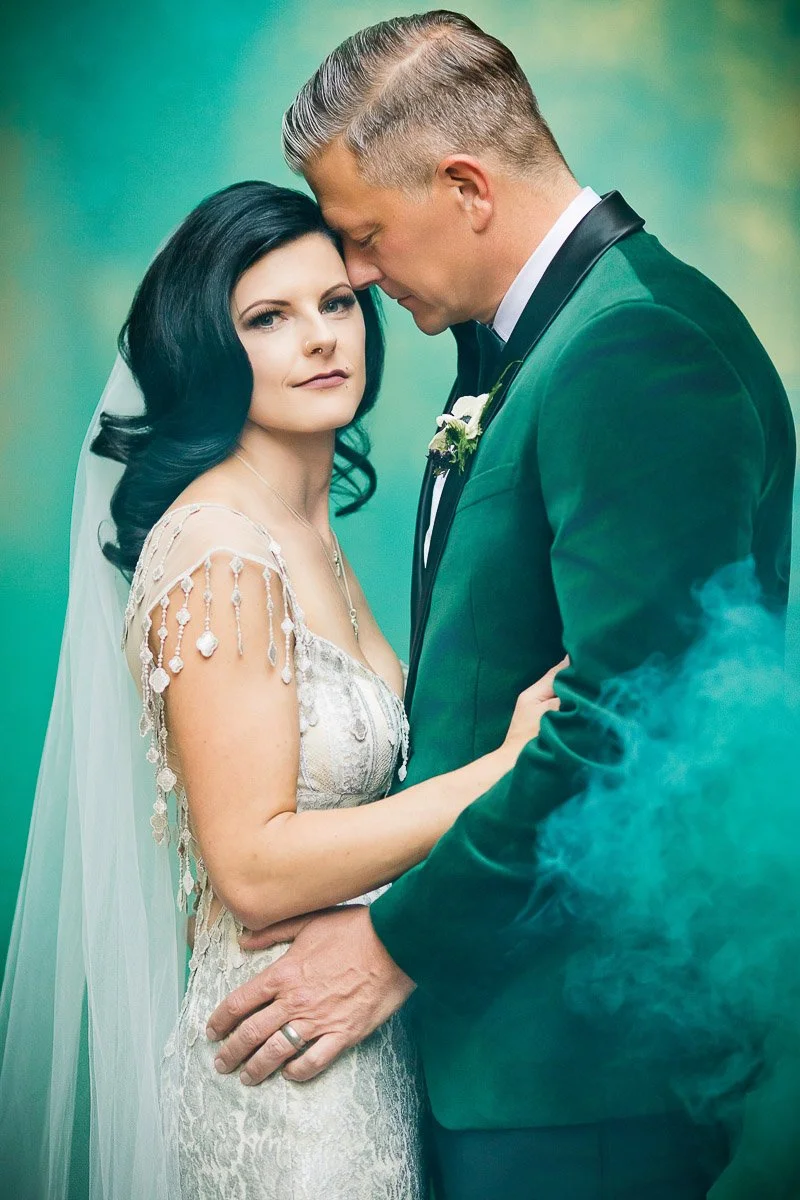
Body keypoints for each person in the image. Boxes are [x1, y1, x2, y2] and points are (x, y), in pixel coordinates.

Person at [206, 12, 797, 1199]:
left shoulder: (634, 348)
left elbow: (627, 729)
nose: (356, 278)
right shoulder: (548, 342)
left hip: (578, 1076)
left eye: (365, 237)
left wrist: (389, 944)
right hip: (509, 1064)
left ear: (465, 184)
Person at [0, 179, 560, 1199]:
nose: (318, 339)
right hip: (285, 1074)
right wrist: (503, 771)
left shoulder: (307, 530)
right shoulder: (220, 546)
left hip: (359, 1029)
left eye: (334, 304)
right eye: (267, 318)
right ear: (204, 350)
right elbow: (251, 863)